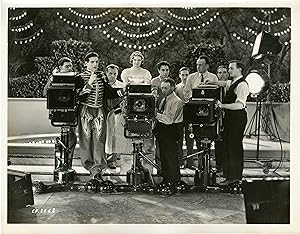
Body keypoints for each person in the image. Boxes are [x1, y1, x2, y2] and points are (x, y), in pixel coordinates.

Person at [76, 52, 123, 179]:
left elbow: (108, 92)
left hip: (99, 111)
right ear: (85, 63)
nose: (95, 64)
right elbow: (80, 96)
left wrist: (122, 91)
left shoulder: (101, 75)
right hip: (85, 111)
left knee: (99, 139)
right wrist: (90, 82)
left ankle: (99, 167)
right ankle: (89, 165)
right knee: (86, 139)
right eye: (92, 61)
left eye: (97, 61)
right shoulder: (79, 77)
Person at [208, 60, 249, 185]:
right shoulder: (233, 82)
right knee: (228, 147)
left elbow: (239, 105)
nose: (229, 71)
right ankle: (229, 176)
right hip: (231, 118)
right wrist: (211, 82)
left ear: (239, 70)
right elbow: (224, 83)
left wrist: (222, 105)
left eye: (231, 68)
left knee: (235, 148)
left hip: (237, 118)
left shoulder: (242, 84)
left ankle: (235, 177)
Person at [182, 55, 218, 168]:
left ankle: (205, 164)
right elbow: (186, 92)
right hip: (195, 112)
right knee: (195, 137)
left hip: (208, 113)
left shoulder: (213, 77)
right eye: (197, 64)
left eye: (201, 65)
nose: (198, 67)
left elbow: (216, 94)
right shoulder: (191, 77)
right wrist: (194, 98)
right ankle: (195, 164)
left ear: (207, 66)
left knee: (207, 138)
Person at [43, 57, 77, 168]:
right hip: (58, 111)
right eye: (67, 66)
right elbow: (45, 93)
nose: (69, 68)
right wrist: (52, 80)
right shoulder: (53, 78)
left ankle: (68, 165)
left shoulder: (74, 77)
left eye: (70, 66)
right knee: (66, 138)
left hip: (70, 111)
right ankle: (62, 164)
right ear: (60, 67)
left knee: (71, 138)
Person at [156, 78, 183, 183]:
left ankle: (175, 180)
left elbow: (170, 119)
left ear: (172, 88)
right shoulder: (164, 99)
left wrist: (156, 115)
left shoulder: (176, 101)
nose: (163, 90)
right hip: (163, 130)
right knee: (164, 157)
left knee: (171, 157)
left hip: (171, 130)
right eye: (162, 88)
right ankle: (166, 179)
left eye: (166, 88)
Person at [104, 64, 124, 169]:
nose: (112, 76)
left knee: (114, 137)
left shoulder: (121, 85)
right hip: (103, 113)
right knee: (104, 136)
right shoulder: (103, 85)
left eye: (115, 74)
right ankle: (102, 159)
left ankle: (112, 160)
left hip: (116, 113)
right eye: (110, 73)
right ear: (106, 73)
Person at [214, 65, 230, 173]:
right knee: (218, 142)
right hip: (218, 119)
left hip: (229, 117)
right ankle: (219, 165)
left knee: (228, 142)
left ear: (228, 74)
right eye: (219, 73)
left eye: (224, 72)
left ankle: (227, 166)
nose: (222, 74)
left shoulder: (231, 86)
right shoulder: (215, 88)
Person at [174, 67, 191, 168]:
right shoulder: (176, 88)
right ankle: (180, 162)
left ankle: (190, 163)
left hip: (189, 117)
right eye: (183, 75)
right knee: (179, 140)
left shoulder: (193, 87)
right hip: (179, 116)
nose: (184, 77)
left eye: (186, 75)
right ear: (179, 75)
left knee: (190, 140)